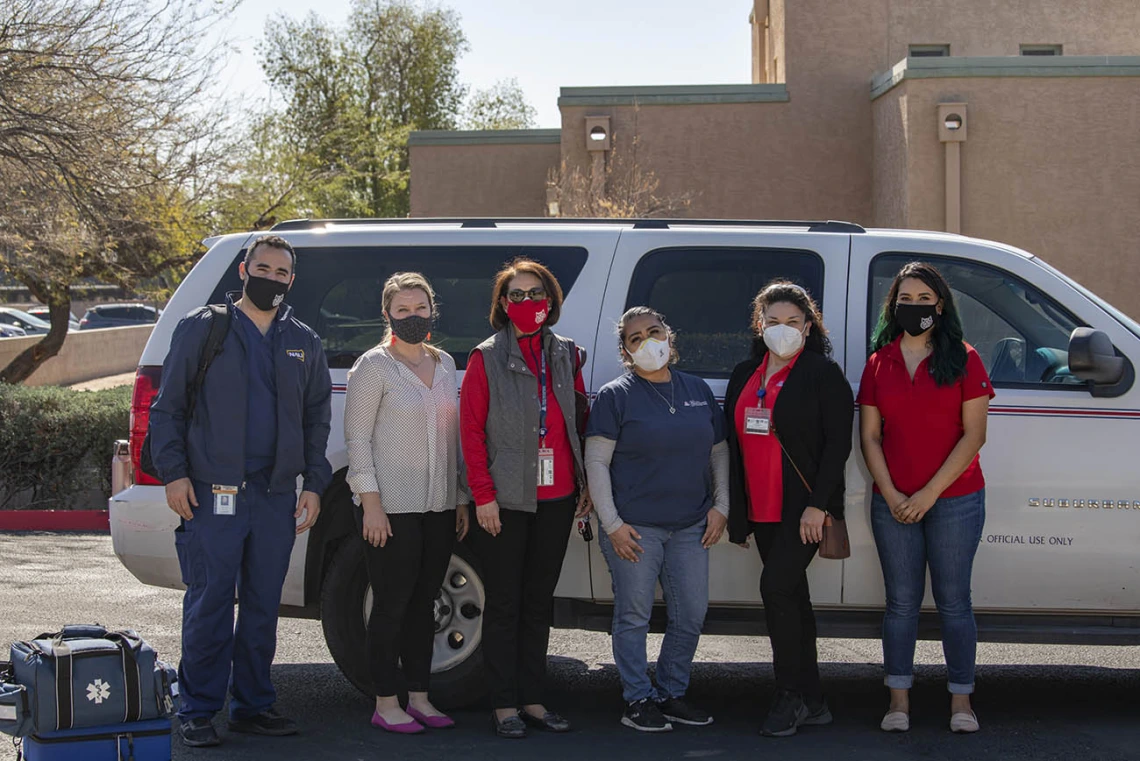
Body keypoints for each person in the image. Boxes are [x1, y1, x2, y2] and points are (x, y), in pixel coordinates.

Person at [148, 234, 332, 748]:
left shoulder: (303, 340)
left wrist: (314, 484)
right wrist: (175, 473)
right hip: (213, 493)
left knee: (261, 604)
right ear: (244, 270)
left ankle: (253, 704)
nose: (270, 278)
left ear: (291, 281)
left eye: (281, 273)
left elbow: (318, 418)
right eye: (263, 268)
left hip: (275, 496)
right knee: (209, 602)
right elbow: (168, 410)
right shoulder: (206, 329)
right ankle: (198, 709)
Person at [858, 261, 994, 735]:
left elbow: (974, 436)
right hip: (892, 502)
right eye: (905, 299)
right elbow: (870, 438)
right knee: (901, 604)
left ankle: (962, 703)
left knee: (955, 602)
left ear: (941, 305)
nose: (914, 308)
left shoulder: (966, 359)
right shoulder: (879, 363)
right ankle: (899, 702)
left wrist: (928, 495)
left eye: (924, 300)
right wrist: (895, 495)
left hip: (955, 500)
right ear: (893, 305)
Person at [459, 258, 592, 739]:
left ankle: (533, 700)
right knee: (504, 605)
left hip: (557, 499)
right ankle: (503, 705)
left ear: (552, 300)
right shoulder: (486, 357)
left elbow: (579, 418)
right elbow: (470, 432)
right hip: (506, 501)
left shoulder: (567, 354)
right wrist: (484, 497)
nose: (529, 303)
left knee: (539, 603)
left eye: (537, 294)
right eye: (517, 295)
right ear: (502, 304)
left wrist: (585, 484)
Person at [585, 307, 728, 733]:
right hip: (634, 528)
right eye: (635, 338)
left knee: (691, 614)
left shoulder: (697, 390)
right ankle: (637, 699)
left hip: (690, 525)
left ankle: (670, 692)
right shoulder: (616, 395)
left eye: (654, 332)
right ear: (625, 352)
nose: (648, 342)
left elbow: (719, 452)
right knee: (633, 616)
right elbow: (596, 462)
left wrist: (722, 506)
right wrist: (611, 524)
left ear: (670, 335)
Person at [724, 281, 854, 738]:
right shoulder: (744, 374)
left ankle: (789, 695)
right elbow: (735, 449)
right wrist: (737, 516)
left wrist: (819, 506)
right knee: (793, 597)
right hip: (761, 509)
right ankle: (813, 699)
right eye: (773, 322)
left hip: (802, 510)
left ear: (808, 326)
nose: (783, 330)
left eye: (794, 322)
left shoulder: (822, 374)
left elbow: (837, 446)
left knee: (775, 588)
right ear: (759, 326)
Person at [343, 272, 470, 734]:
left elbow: (451, 438)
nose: (413, 317)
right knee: (392, 605)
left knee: (424, 604)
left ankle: (420, 696)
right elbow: (357, 441)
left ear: (432, 311)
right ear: (387, 315)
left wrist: (458, 497)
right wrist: (370, 505)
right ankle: (385, 701)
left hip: (437, 506)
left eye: (420, 309)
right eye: (403, 310)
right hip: (390, 509)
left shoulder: (446, 364)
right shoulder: (372, 367)